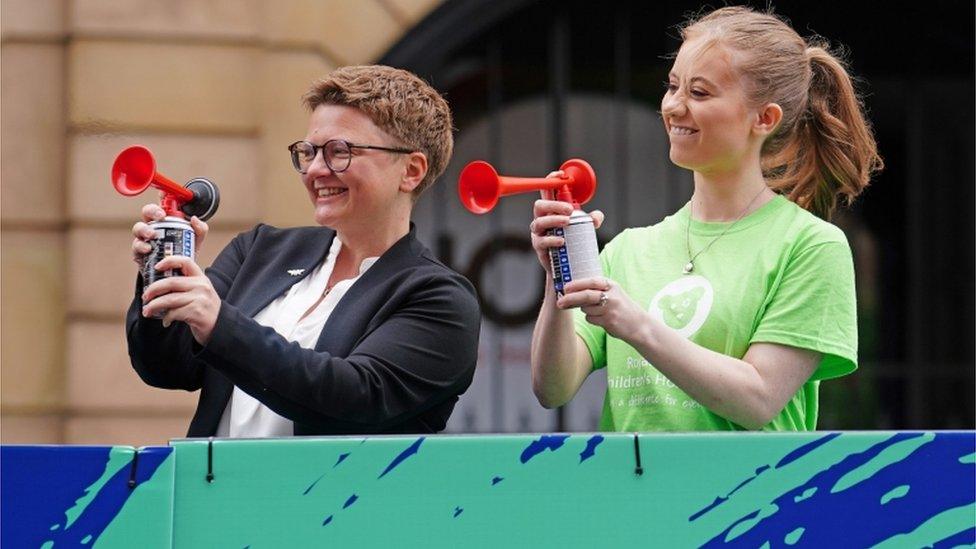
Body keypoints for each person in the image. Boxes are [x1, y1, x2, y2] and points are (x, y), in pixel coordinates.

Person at [529, 6, 882, 431]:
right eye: (672, 86)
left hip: (753, 497)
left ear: (765, 118)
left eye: (699, 93)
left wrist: (636, 324)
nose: (673, 107)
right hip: (630, 496)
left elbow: (759, 398)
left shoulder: (810, 245)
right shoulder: (629, 249)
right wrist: (557, 278)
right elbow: (553, 389)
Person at [127, 65, 481, 437]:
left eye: (339, 152)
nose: (315, 170)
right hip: (213, 491)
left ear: (411, 170)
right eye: (309, 152)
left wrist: (219, 323)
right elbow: (167, 367)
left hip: (334, 497)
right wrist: (163, 275)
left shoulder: (440, 298)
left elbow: (355, 396)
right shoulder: (260, 250)